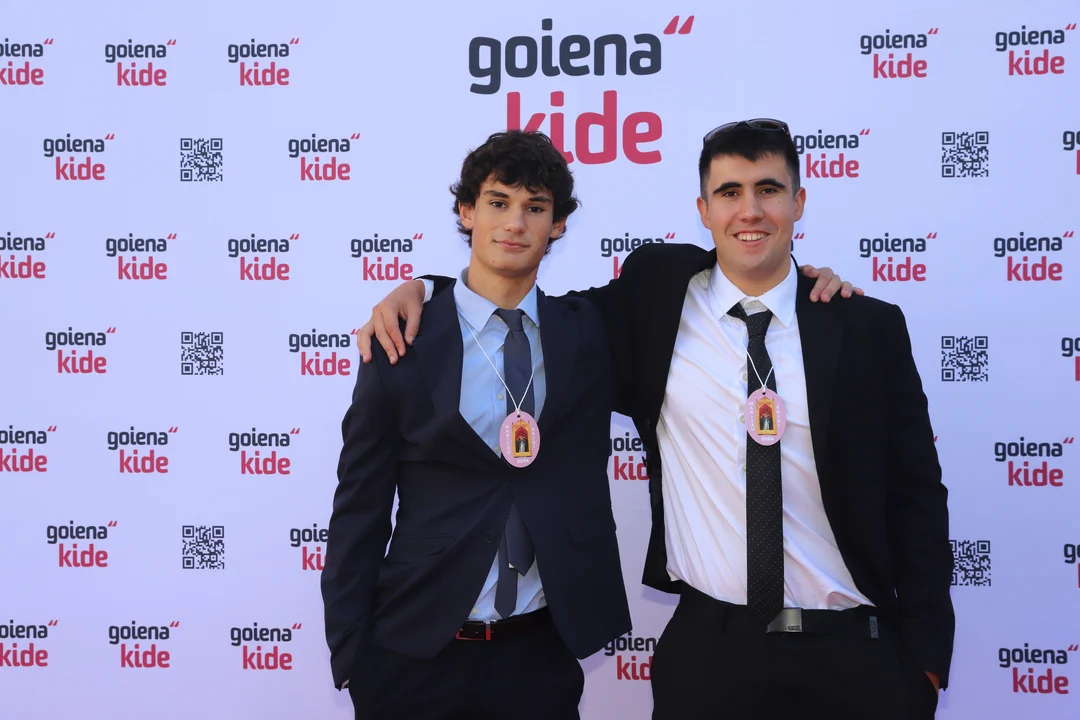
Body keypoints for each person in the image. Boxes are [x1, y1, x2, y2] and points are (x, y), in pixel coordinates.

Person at [356, 120, 953, 719]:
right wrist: (425, 289)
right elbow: (512, 299)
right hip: (711, 653)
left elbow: (917, 496)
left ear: (798, 202)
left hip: (855, 654)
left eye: (769, 190)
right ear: (703, 209)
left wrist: (926, 664)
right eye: (729, 192)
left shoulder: (866, 327)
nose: (750, 210)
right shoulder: (656, 297)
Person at [321, 130, 633, 720]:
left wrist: (804, 272)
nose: (514, 223)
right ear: (467, 212)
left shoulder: (586, 331)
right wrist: (354, 657)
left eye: (535, 207)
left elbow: (703, 275)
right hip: (413, 656)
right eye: (497, 202)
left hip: (539, 658)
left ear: (558, 225)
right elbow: (359, 509)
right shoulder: (403, 339)